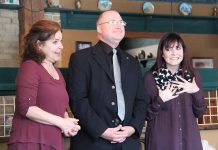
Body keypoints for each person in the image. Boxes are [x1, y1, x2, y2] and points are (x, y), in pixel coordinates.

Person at [68, 10, 147, 150]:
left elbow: (141, 100)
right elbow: (78, 100)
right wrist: (102, 130)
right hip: (93, 142)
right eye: (112, 22)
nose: (118, 25)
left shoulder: (133, 62)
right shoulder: (81, 59)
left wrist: (133, 128)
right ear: (99, 28)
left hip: (128, 143)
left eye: (121, 22)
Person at [8, 20, 81, 150]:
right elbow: (27, 108)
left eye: (61, 41)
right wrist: (62, 122)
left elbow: (60, 107)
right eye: (55, 42)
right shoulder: (30, 67)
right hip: (30, 142)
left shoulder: (57, 72)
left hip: (53, 142)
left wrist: (68, 124)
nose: (61, 46)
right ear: (39, 45)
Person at [144, 32, 206, 150]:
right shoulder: (150, 78)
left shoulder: (193, 77)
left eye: (178, 48)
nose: (174, 53)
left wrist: (195, 91)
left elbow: (200, 113)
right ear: (162, 53)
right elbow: (145, 115)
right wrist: (160, 100)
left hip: (189, 143)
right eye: (169, 49)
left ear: (183, 51)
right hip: (161, 143)